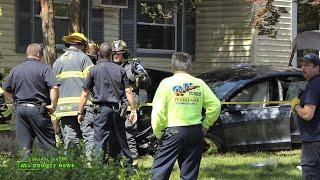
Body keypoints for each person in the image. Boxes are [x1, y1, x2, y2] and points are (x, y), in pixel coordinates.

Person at [151, 52, 221, 180]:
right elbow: (216, 105)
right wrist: (206, 124)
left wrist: (158, 133)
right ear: (189, 67)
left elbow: (158, 111)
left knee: (160, 171)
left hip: (173, 131)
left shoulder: (166, 83)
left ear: (172, 66)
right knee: (189, 174)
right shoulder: (199, 83)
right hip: (195, 131)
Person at [77, 42, 137, 166]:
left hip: (101, 110)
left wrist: (80, 112)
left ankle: (98, 169)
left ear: (99, 54)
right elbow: (128, 91)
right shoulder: (120, 69)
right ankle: (126, 166)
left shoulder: (93, 70)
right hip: (118, 110)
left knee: (100, 140)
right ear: (110, 54)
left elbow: (84, 93)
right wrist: (133, 110)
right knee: (120, 138)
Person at [2, 43, 59, 159]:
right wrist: (53, 105)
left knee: (24, 148)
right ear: (38, 54)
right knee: (48, 145)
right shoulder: (44, 68)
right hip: (38, 110)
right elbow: (55, 87)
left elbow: (4, 90)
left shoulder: (16, 69)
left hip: (20, 110)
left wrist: (13, 98)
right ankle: (52, 173)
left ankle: (25, 173)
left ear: (27, 54)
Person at [53, 32, 94, 160]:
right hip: (83, 106)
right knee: (89, 136)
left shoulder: (57, 62)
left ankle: (72, 167)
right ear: (80, 45)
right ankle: (91, 166)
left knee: (70, 138)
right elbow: (92, 80)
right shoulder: (84, 59)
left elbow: (54, 87)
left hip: (64, 108)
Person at [111, 39, 151, 162]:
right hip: (113, 108)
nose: (116, 56)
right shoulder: (109, 67)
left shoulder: (132, 66)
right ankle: (115, 163)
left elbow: (147, 83)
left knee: (129, 136)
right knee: (113, 137)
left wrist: (140, 76)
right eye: (114, 54)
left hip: (129, 108)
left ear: (125, 54)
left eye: (119, 53)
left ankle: (132, 163)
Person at [292, 53, 320, 179]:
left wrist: (296, 106)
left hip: (313, 141)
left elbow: (307, 114)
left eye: (307, 65)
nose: (303, 68)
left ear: (317, 68)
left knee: (311, 175)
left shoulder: (314, 86)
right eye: (302, 65)